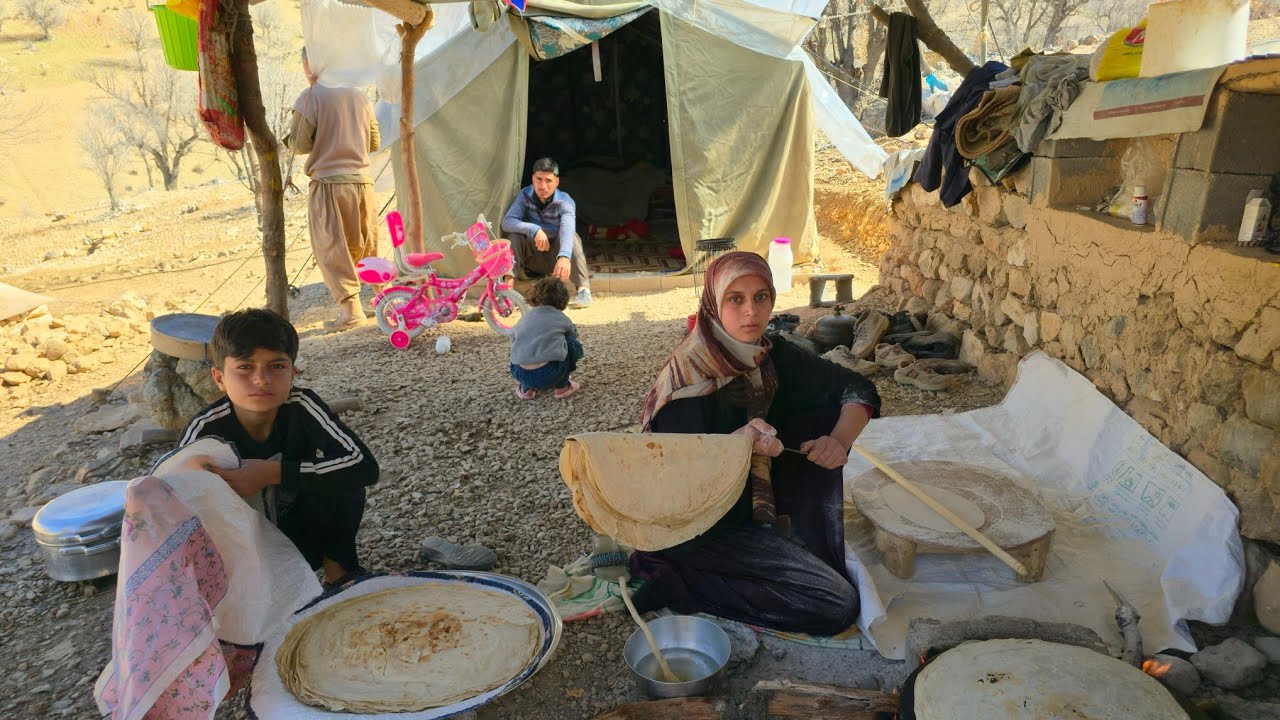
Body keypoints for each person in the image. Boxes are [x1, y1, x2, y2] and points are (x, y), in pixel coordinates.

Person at [627, 252, 881, 635]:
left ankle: (756, 546)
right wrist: (735, 448)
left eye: (761, 297)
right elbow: (670, 483)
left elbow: (857, 388)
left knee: (823, 408)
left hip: (753, 507)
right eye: (736, 299)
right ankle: (678, 581)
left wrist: (838, 441)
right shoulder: (686, 382)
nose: (751, 311)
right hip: (698, 529)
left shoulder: (770, 355)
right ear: (713, 303)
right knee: (837, 605)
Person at [177, 308, 378, 588]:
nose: (261, 379)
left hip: (300, 539)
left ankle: (339, 570)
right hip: (243, 550)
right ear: (219, 378)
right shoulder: (205, 430)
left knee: (345, 482)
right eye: (245, 367)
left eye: (277, 366)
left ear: (293, 373)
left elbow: (363, 466)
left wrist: (273, 473)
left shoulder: (301, 406)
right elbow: (176, 503)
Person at [284, 47, 381, 332]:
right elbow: (374, 142)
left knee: (332, 247)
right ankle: (385, 299)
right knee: (366, 244)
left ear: (310, 64)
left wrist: (289, 140)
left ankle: (351, 312)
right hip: (363, 182)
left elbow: (300, 144)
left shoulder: (310, 97)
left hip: (329, 184)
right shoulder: (360, 95)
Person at [501, 158, 592, 309]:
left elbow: (568, 229)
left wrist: (564, 256)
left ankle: (583, 290)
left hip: (555, 261)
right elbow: (507, 222)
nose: (543, 186)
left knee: (573, 237)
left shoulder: (566, 201)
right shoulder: (524, 195)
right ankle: (507, 292)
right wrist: (534, 229)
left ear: (557, 182)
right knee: (514, 237)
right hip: (531, 257)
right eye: (539, 179)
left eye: (548, 181)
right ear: (532, 178)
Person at [510, 277, 584, 400]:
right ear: (563, 300)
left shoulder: (524, 318)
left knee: (520, 344)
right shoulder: (561, 318)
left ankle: (526, 388)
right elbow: (573, 337)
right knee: (570, 342)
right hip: (550, 373)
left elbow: (513, 339)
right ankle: (562, 386)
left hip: (519, 372)